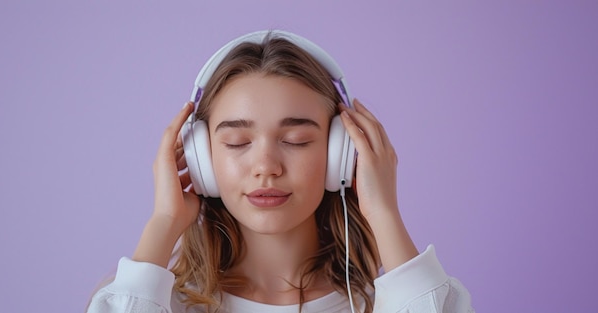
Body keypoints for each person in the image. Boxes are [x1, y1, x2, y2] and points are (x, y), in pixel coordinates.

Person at [87, 30, 474, 313]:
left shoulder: (387, 303)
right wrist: (164, 221)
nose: (266, 168)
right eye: (238, 142)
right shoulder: (157, 303)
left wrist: (384, 214)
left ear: (340, 153)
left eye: (296, 140)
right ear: (201, 158)